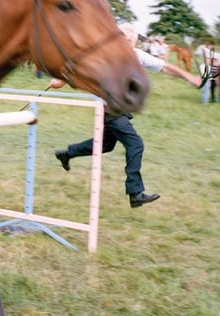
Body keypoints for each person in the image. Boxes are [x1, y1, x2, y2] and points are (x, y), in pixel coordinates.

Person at [51, 24, 202, 209]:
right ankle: (135, 193)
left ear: (135, 41)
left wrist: (189, 77)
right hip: (110, 109)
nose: (127, 42)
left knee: (105, 144)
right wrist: (60, 80)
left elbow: (165, 67)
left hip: (118, 109)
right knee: (135, 144)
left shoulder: (137, 55)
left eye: (131, 39)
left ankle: (67, 154)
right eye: (124, 37)